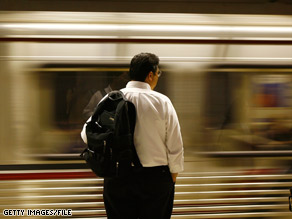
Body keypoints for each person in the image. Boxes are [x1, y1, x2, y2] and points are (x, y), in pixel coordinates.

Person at [81, 52, 184, 219]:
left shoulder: (111, 98)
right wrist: (170, 180)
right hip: (155, 180)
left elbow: (86, 135)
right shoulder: (162, 102)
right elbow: (175, 146)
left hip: (118, 178)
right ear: (150, 75)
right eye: (158, 73)